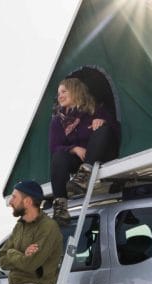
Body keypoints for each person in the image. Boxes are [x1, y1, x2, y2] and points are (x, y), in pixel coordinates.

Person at [49, 77, 118, 223]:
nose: (60, 96)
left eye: (64, 91)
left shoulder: (95, 109)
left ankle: (84, 175)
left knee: (103, 128)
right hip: (77, 159)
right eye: (58, 93)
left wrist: (102, 121)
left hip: (99, 154)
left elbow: (116, 129)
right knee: (58, 156)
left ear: (75, 91)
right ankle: (60, 206)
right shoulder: (58, 120)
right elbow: (54, 146)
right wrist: (74, 148)